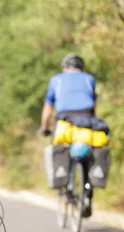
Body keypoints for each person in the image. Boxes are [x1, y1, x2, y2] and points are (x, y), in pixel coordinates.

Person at [38, 53, 97, 217]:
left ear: (65, 67)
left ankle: (64, 184)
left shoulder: (56, 80)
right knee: (88, 154)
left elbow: (48, 109)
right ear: (81, 67)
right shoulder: (89, 79)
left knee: (60, 148)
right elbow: (93, 105)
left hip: (64, 122)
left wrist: (44, 127)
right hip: (87, 121)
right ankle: (88, 193)